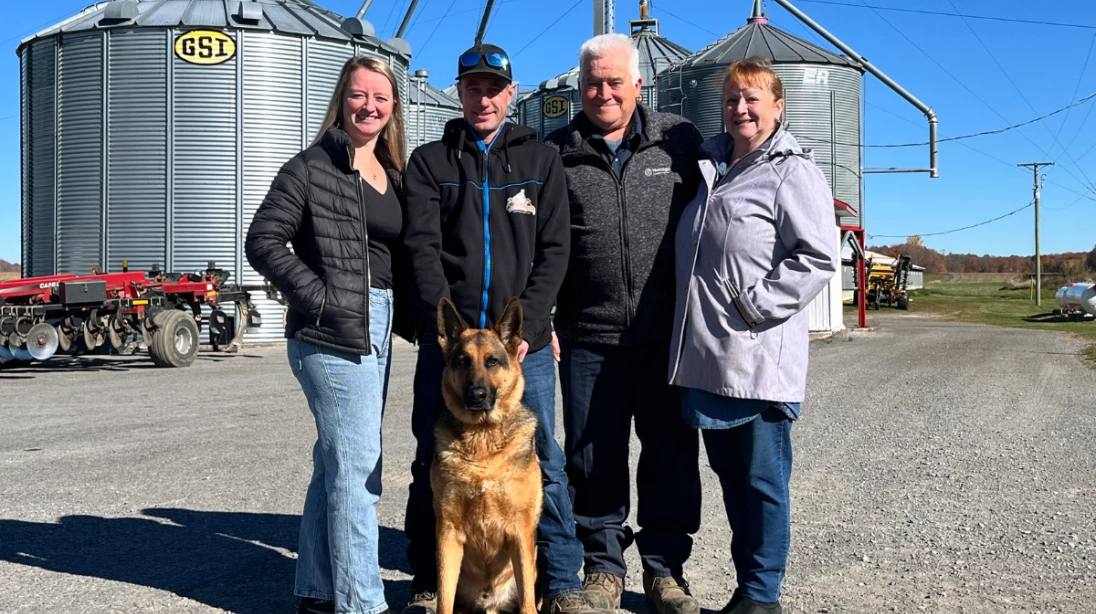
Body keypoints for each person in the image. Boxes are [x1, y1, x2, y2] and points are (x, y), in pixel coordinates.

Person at [400, 42, 611, 614]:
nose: (484, 99)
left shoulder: (541, 161)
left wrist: (529, 325)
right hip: (452, 348)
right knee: (432, 458)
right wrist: (448, 328)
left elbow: (556, 249)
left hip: (523, 347)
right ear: (460, 92)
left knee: (544, 457)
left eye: (494, 89)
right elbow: (422, 250)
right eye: (473, 88)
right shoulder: (431, 163)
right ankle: (429, 581)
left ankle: (560, 581)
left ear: (511, 94)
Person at [245, 56, 416, 614]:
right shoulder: (311, 166)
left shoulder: (392, 172)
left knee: (336, 464)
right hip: (330, 332)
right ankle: (361, 603)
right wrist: (320, 299)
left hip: (378, 323)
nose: (369, 106)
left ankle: (318, 592)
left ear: (393, 108)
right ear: (341, 101)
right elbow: (263, 240)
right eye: (359, 95)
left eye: (381, 97)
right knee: (359, 470)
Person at [668, 57, 838, 614]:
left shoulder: (792, 171)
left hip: (758, 355)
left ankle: (763, 596)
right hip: (710, 355)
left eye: (752, 98)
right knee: (732, 479)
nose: (740, 108)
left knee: (764, 481)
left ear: (778, 107)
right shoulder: (712, 168)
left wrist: (753, 306)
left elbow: (818, 256)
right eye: (731, 98)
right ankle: (748, 589)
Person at [543, 33, 703, 614]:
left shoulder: (678, 141)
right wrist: (544, 316)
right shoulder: (555, 153)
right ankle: (603, 569)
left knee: (670, 456)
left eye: (614, 82)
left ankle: (665, 572)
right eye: (593, 83)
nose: (603, 93)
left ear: (639, 84)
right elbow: (539, 243)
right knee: (592, 459)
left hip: (666, 336)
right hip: (587, 336)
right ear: (579, 87)